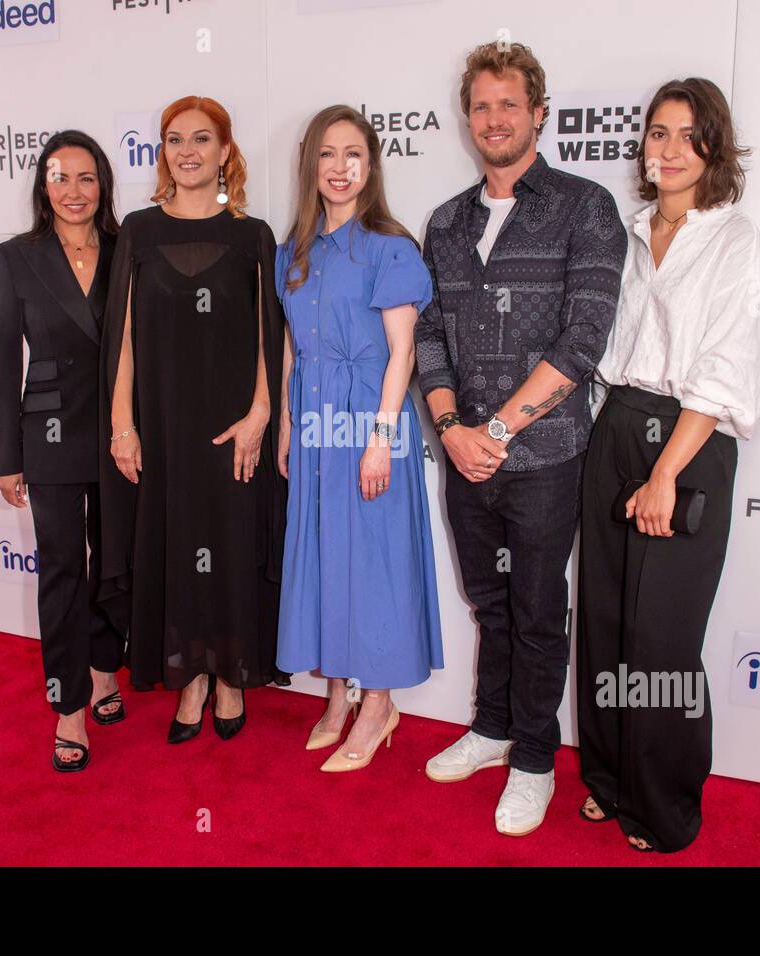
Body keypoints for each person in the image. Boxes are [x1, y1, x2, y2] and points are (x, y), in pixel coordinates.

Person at [415, 41, 627, 835]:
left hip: (541, 458)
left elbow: (583, 341)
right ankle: (493, 729)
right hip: (463, 453)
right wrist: (450, 429)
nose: (494, 119)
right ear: (466, 117)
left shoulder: (584, 206)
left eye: (510, 104)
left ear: (539, 113)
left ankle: (535, 759)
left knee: (538, 611)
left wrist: (495, 431)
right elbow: (430, 335)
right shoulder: (447, 220)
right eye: (482, 106)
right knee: (491, 603)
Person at [576, 78, 760, 852]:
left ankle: (663, 808)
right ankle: (608, 780)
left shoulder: (734, 238)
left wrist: (664, 475)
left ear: (713, 148)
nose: (669, 150)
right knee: (604, 622)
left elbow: (726, 366)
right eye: (658, 133)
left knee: (661, 640)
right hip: (617, 423)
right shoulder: (624, 233)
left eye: (688, 136)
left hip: (688, 441)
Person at [100, 96, 289, 745]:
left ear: (225, 152)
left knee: (229, 547)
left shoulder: (252, 235)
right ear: (163, 153)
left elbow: (272, 336)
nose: (187, 150)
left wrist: (262, 413)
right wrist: (123, 425)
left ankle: (230, 674)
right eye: (174, 139)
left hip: (235, 427)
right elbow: (120, 337)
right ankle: (190, 678)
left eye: (201, 139)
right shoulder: (139, 231)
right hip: (163, 428)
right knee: (178, 548)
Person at [274, 105, 444, 772]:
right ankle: (338, 696)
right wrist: (288, 424)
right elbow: (292, 347)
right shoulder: (292, 251)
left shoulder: (390, 247)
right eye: (327, 153)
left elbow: (402, 353)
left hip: (371, 422)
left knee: (372, 564)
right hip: (314, 424)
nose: (340, 167)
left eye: (353, 154)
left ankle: (379, 705)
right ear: (310, 165)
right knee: (323, 556)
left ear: (370, 166)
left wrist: (380, 439)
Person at [0, 130, 127, 773]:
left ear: (103, 185)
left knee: (113, 563)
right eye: (59, 177)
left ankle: (103, 669)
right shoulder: (18, 256)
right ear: (43, 187)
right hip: (49, 435)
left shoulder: (128, 248)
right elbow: (1, 359)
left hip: (120, 433)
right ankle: (68, 706)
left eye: (86, 177)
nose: (74, 191)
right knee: (63, 571)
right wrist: (9, 454)